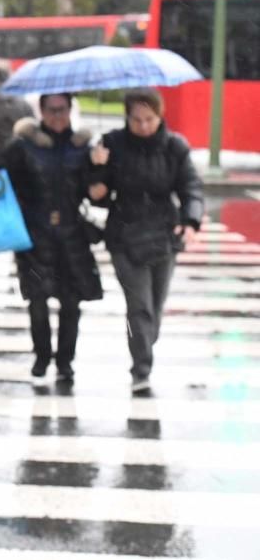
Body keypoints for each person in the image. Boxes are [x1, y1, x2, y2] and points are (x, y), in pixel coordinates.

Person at [89, 87, 203, 393]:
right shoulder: (112, 143)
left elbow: (190, 186)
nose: (142, 126)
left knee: (156, 305)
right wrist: (98, 168)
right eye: (136, 119)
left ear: (159, 115)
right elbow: (97, 194)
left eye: (149, 119)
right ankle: (141, 367)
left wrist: (191, 221)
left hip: (164, 233)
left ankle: (144, 346)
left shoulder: (175, 147)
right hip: (124, 235)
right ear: (127, 117)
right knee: (139, 305)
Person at [4, 93, 103, 385]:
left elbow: (94, 189)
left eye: (62, 109)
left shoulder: (82, 147)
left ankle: (65, 362)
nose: (57, 115)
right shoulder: (23, 147)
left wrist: (98, 167)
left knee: (72, 302)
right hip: (35, 236)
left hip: (72, 236)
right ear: (41, 111)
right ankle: (42, 357)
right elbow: (3, 181)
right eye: (51, 110)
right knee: (37, 301)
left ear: (71, 109)